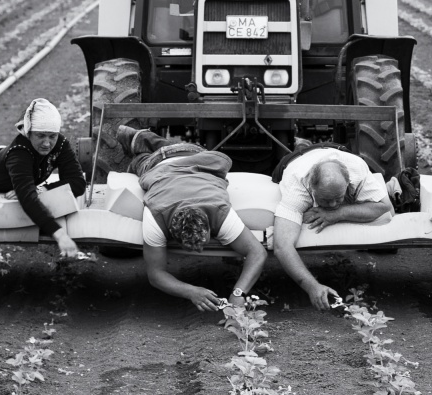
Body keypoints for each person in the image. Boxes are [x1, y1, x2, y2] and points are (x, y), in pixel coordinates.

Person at [115, 125, 267, 312]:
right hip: (176, 160)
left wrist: (238, 293)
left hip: (183, 158)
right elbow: (154, 276)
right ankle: (143, 139)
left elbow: (258, 253)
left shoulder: (219, 212)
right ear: (171, 229)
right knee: (139, 162)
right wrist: (191, 291)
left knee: (153, 154)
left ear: (209, 223)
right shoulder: (156, 216)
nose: (201, 250)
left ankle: (142, 138)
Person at [0, 98, 86, 259]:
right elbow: (28, 200)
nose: (47, 143)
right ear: (28, 131)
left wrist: (43, 189)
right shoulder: (19, 154)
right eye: (41, 136)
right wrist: (60, 235)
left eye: (52, 136)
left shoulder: (60, 144)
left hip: (1, 156)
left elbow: (78, 183)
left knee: (3, 154)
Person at [272, 146, 394, 310]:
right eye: (326, 200)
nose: (333, 204)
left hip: (335, 148)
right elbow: (282, 246)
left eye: (338, 198)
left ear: (347, 182)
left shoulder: (357, 168)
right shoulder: (297, 186)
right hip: (293, 159)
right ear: (312, 188)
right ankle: (302, 144)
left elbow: (385, 207)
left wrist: (338, 214)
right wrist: (311, 286)